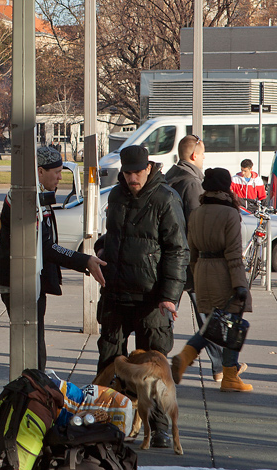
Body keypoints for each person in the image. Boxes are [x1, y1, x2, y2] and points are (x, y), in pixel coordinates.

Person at [94, 145, 188, 449]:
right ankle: (106, 420)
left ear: (149, 168)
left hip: (152, 299)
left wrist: (170, 296)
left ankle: (160, 429)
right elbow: (115, 236)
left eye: (138, 171)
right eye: (128, 172)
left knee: (155, 366)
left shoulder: (166, 198)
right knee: (109, 359)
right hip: (116, 293)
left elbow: (177, 250)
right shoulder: (116, 196)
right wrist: (101, 250)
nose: (133, 177)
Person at [0, 146, 106, 370]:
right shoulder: (25, 197)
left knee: (35, 346)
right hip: (19, 283)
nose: (61, 178)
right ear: (40, 171)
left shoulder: (33, 195)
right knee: (32, 349)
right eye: (57, 172)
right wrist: (84, 261)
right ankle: (32, 392)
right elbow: (45, 246)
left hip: (28, 281)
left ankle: (35, 389)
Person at [171, 168, 253, 392]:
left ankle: (186, 356)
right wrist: (240, 285)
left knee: (213, 325)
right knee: (233, 326)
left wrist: (198, 275)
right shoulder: (229, 214)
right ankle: (229, 377)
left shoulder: (197, 213)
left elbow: (192, 251)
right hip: (225, 274)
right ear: (226, 188)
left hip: (203, 273)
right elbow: (234, 254)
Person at [165, 135, 229, 383]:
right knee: (207, 314)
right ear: (193, 156)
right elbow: (196, 223)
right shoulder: (192, 184)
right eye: (202, 155)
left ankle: (220, 366)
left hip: (174, 261)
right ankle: (221, 367)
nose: (203, 159)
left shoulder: (170, 177)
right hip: (189, 263)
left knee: (170, 313)